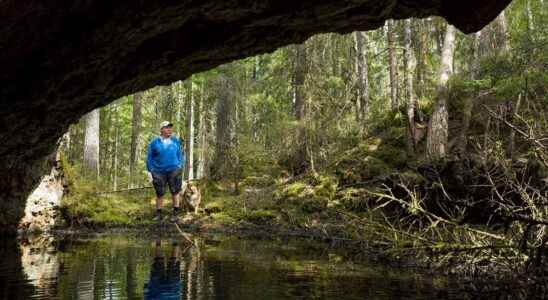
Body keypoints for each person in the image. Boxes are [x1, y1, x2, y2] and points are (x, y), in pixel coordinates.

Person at [146, 121, 185, 222]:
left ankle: (175, 214)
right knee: (160, 193)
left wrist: (180, 165)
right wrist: (150, 171)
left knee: (175, 192)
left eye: (170, 128)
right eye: (167, 128)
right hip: (158, 172)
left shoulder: (175, 141)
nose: (169, 130)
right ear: (161, 129)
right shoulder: (154, 143)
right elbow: (149, 158)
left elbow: (180, 154)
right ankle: (159, 214)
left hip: (174, 170)